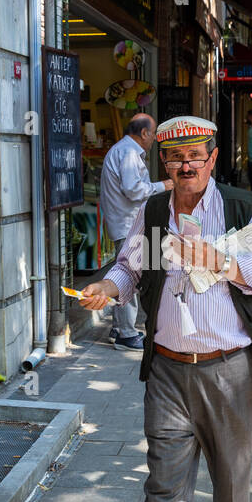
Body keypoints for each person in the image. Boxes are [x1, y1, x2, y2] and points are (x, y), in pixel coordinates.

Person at [77, 115, 252, 502]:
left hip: (230, 367)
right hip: (169, 367)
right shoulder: (153, 212)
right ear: (163, 163)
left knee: (230, 464)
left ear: (212, 158)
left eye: (195, 154)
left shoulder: (239, 207)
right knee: (163, 485)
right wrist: (110, 287)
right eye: (175, 157)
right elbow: (132, 266)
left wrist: (221, 259)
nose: (186, 164)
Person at [100, 113, 174, 350]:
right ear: (144, 133)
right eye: (153, 134)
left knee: (129, 271)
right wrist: (164, 185)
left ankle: (118, 327)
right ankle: (126, 333)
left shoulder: (123, 150)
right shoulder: (129, 153)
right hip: (128, 224)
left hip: (125, 222)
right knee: (130, 275)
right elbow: (134, 191)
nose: (154, 140)